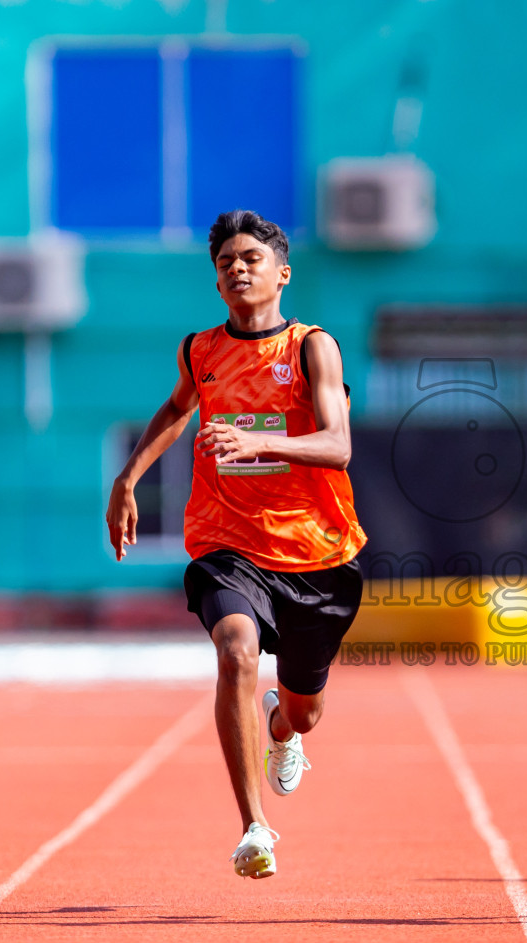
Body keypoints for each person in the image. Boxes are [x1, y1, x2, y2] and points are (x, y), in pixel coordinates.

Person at [106, 210, 365, 879]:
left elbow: (338, 446)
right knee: (235, 649)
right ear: (217, 281)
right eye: (225, 262)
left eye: (251, 258)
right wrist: (128, 478)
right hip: (227, 542)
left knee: (307, 710)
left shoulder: (313, 348)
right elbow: (176, 407)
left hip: (316, 552)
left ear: (282, 272)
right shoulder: (201, 350)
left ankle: (283, 728)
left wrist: (258, 442)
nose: (237, 268)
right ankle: (254, 826)